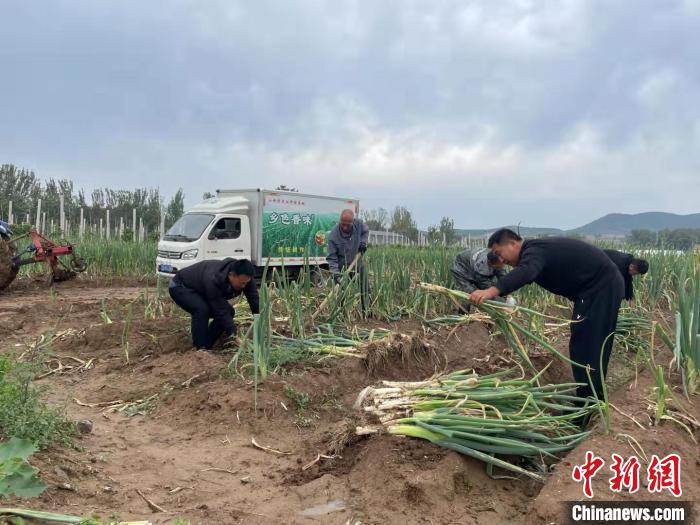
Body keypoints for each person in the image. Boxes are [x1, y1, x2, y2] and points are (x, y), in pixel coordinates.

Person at [469, 229, 625, 409]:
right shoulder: (536, 249)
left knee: (586, 346)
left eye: (499, 253)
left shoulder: (534, 251)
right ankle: (591, 400)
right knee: (588, 344)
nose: (500, 260)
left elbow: (527, 271)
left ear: (513, 243)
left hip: (600, 289)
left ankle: (589, 405)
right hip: (599, 289)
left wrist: (490, 291)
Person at [168, 258, 259, 351]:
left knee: (229, 312)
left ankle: (207, 345)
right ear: (231, 275)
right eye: (242, 283)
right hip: (180, 286)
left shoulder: (246, 278)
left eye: (246, 283)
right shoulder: (214, 279)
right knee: (202, 310)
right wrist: (234, 336)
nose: (244, 286)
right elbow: (220, 311)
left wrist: (259, 320)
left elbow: (254, 298)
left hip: (201, 289)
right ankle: (200, 349)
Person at [326, 209, 370, 311]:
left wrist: (363, 242)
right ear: (340, 221)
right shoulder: (333, 235)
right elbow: (332, 258)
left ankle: (367, 310)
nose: (345, 227)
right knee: (342, 292)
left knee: (365, 288)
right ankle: (342, 313)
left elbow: (365, 231)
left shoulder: (358, 224)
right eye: (343, 224)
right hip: (342, 268)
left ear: (353, 222)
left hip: (357, 263)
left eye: (348, 225)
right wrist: (335, 273)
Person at [451, 247, 514, 312]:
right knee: (470, 293)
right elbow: (487, 288)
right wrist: (501, 301)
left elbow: (502, 274)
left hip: (472, 264)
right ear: (491, 264)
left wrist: (507, 293)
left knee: (494, 288)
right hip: (461, 268)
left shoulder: (497, 256)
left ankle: (491, 312)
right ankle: (463, 314)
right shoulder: (482, 268)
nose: (502, 267)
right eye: (498, 266)